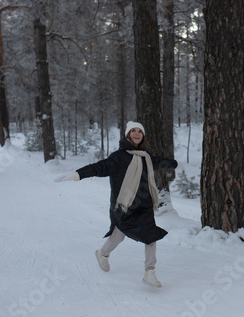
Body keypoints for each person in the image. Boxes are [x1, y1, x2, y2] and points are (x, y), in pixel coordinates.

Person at [56, 121, 178, 288]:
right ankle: (102, 254)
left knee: (150, 236)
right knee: (118, 236)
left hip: (144, 206)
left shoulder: (146, 157)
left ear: (143, 135)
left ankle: (150, 272)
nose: (137, 134)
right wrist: (78, 174)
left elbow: (160, 162)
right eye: (133, 131)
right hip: (124, 206)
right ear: (128, 135)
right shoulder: (118, 157)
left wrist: (175, 164)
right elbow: (99, 167)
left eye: (140, 131)